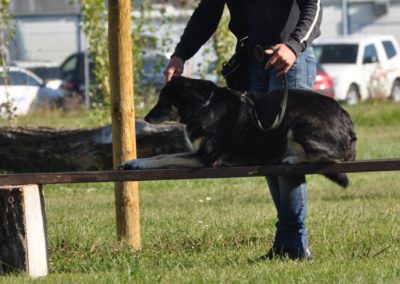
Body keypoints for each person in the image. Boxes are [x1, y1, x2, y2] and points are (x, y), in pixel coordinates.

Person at [163, 0, 322, 260]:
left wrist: (294, 46)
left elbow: (313, 7)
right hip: (254, 64)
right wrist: (180, 55)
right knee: (267, 153)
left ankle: (292, 242)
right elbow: (208, 12)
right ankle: (289, 243)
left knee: (285, 154)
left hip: (290, 61)